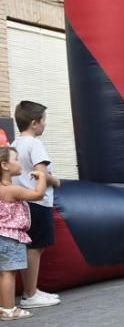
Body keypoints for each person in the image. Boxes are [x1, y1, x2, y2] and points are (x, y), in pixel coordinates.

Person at [12, 101, 61, 308]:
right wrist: (56, 181)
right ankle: (30, 294)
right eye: (44, 121)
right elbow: (41, 174)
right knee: (36, 247)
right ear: (34, 123)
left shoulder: (14, 145)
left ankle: (31, 290)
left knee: (30, 246)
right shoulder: (35, 144)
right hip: (37, 201)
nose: (45, 125)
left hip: (21, 200)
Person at [0, 147, 46, 320]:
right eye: (16, 159)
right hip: (10, 237)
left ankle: (3, 307)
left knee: (2, 273)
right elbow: (38, 194)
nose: (19, 163)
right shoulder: (12, 190)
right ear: (4, 165)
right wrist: (42, 177)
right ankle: (10, 309)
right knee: (8, 273)